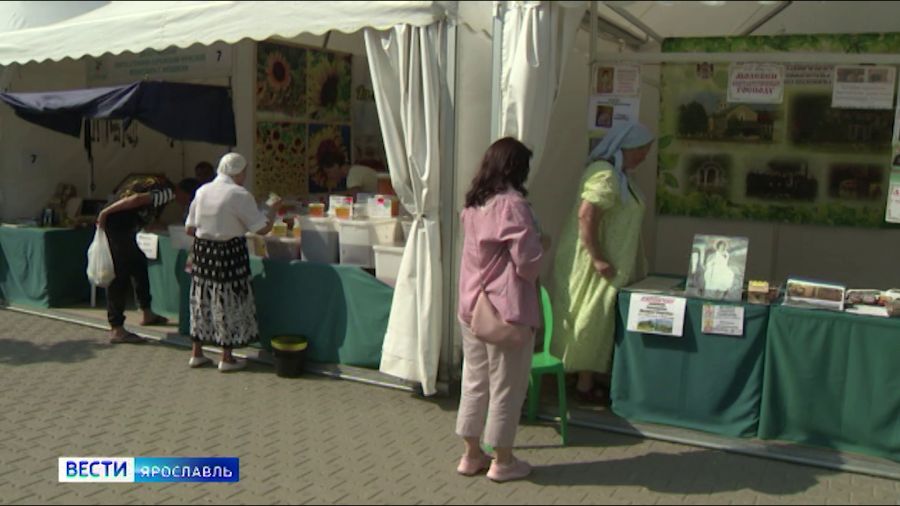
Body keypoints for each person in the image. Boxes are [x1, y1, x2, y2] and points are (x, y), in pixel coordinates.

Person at [456, 137, 547, 483]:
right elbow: (527, 264)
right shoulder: (512, 205)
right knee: (507, 386)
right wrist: (544, 245)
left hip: (471, 307)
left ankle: (471, 455)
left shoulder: (474, 205)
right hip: (506, 310)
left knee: (474, 382)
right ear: (516, 168)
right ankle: (503, 461)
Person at [549, 121, 655, 404]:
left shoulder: (618, 176)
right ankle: (583, 384)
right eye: (642, 150)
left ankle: (582, 375)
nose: (644, 156)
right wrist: (597, 257)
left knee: (596, 318)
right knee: (591, 318)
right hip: (593, 264)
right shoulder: (605, 175)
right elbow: (587, 214)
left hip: (607, 261)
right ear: (627, 147)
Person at [184, 153, 282, 372]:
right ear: (239, 172)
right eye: (244, 172)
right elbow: (262, 229)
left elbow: (189, 228)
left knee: (201, 298)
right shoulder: (239, 194)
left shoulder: (202, 191)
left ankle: (196, 352)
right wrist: (273, 210)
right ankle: (226, 357)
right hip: (228, 252)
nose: (245, 176)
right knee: (227, 299)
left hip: (202, 251)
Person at [96, 175, 176, 344]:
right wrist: (105, 212)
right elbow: (136, 200)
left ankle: (147, 312)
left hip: (124, 231)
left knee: (139, 265)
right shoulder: (167, 192)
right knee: (119, 276)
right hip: (117, 231)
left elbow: (143, 212)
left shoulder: (145, 187)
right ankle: (117, 328)